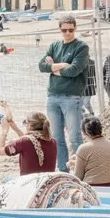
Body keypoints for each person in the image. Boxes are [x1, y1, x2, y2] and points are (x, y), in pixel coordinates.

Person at [38, 14, 89, 162]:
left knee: (74, 137)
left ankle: (80, 170)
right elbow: (42, 66)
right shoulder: (54, 46)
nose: (67, 33)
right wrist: (61, 66)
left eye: (70, 30)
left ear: (75, 29)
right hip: (52, 97)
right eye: (64, 30)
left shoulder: (81, 47)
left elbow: (74, 71)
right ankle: (62, 168)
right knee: (56, 138)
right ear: (60, 30)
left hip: (71, 98)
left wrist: (53, 67)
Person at [0, 105, 59, 176]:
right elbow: (30, 142)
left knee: (6, 179)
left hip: (28, 184)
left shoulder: (24, 142)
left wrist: (4, 131)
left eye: (25, 123)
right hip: (45, 182)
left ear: (30, 126)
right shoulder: (52, 141)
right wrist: (15, 127)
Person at [69, 117, 110, 185]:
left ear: (84, 133)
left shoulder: (83, 148)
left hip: (91, 188)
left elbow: (78, 177)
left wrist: (72, 167)